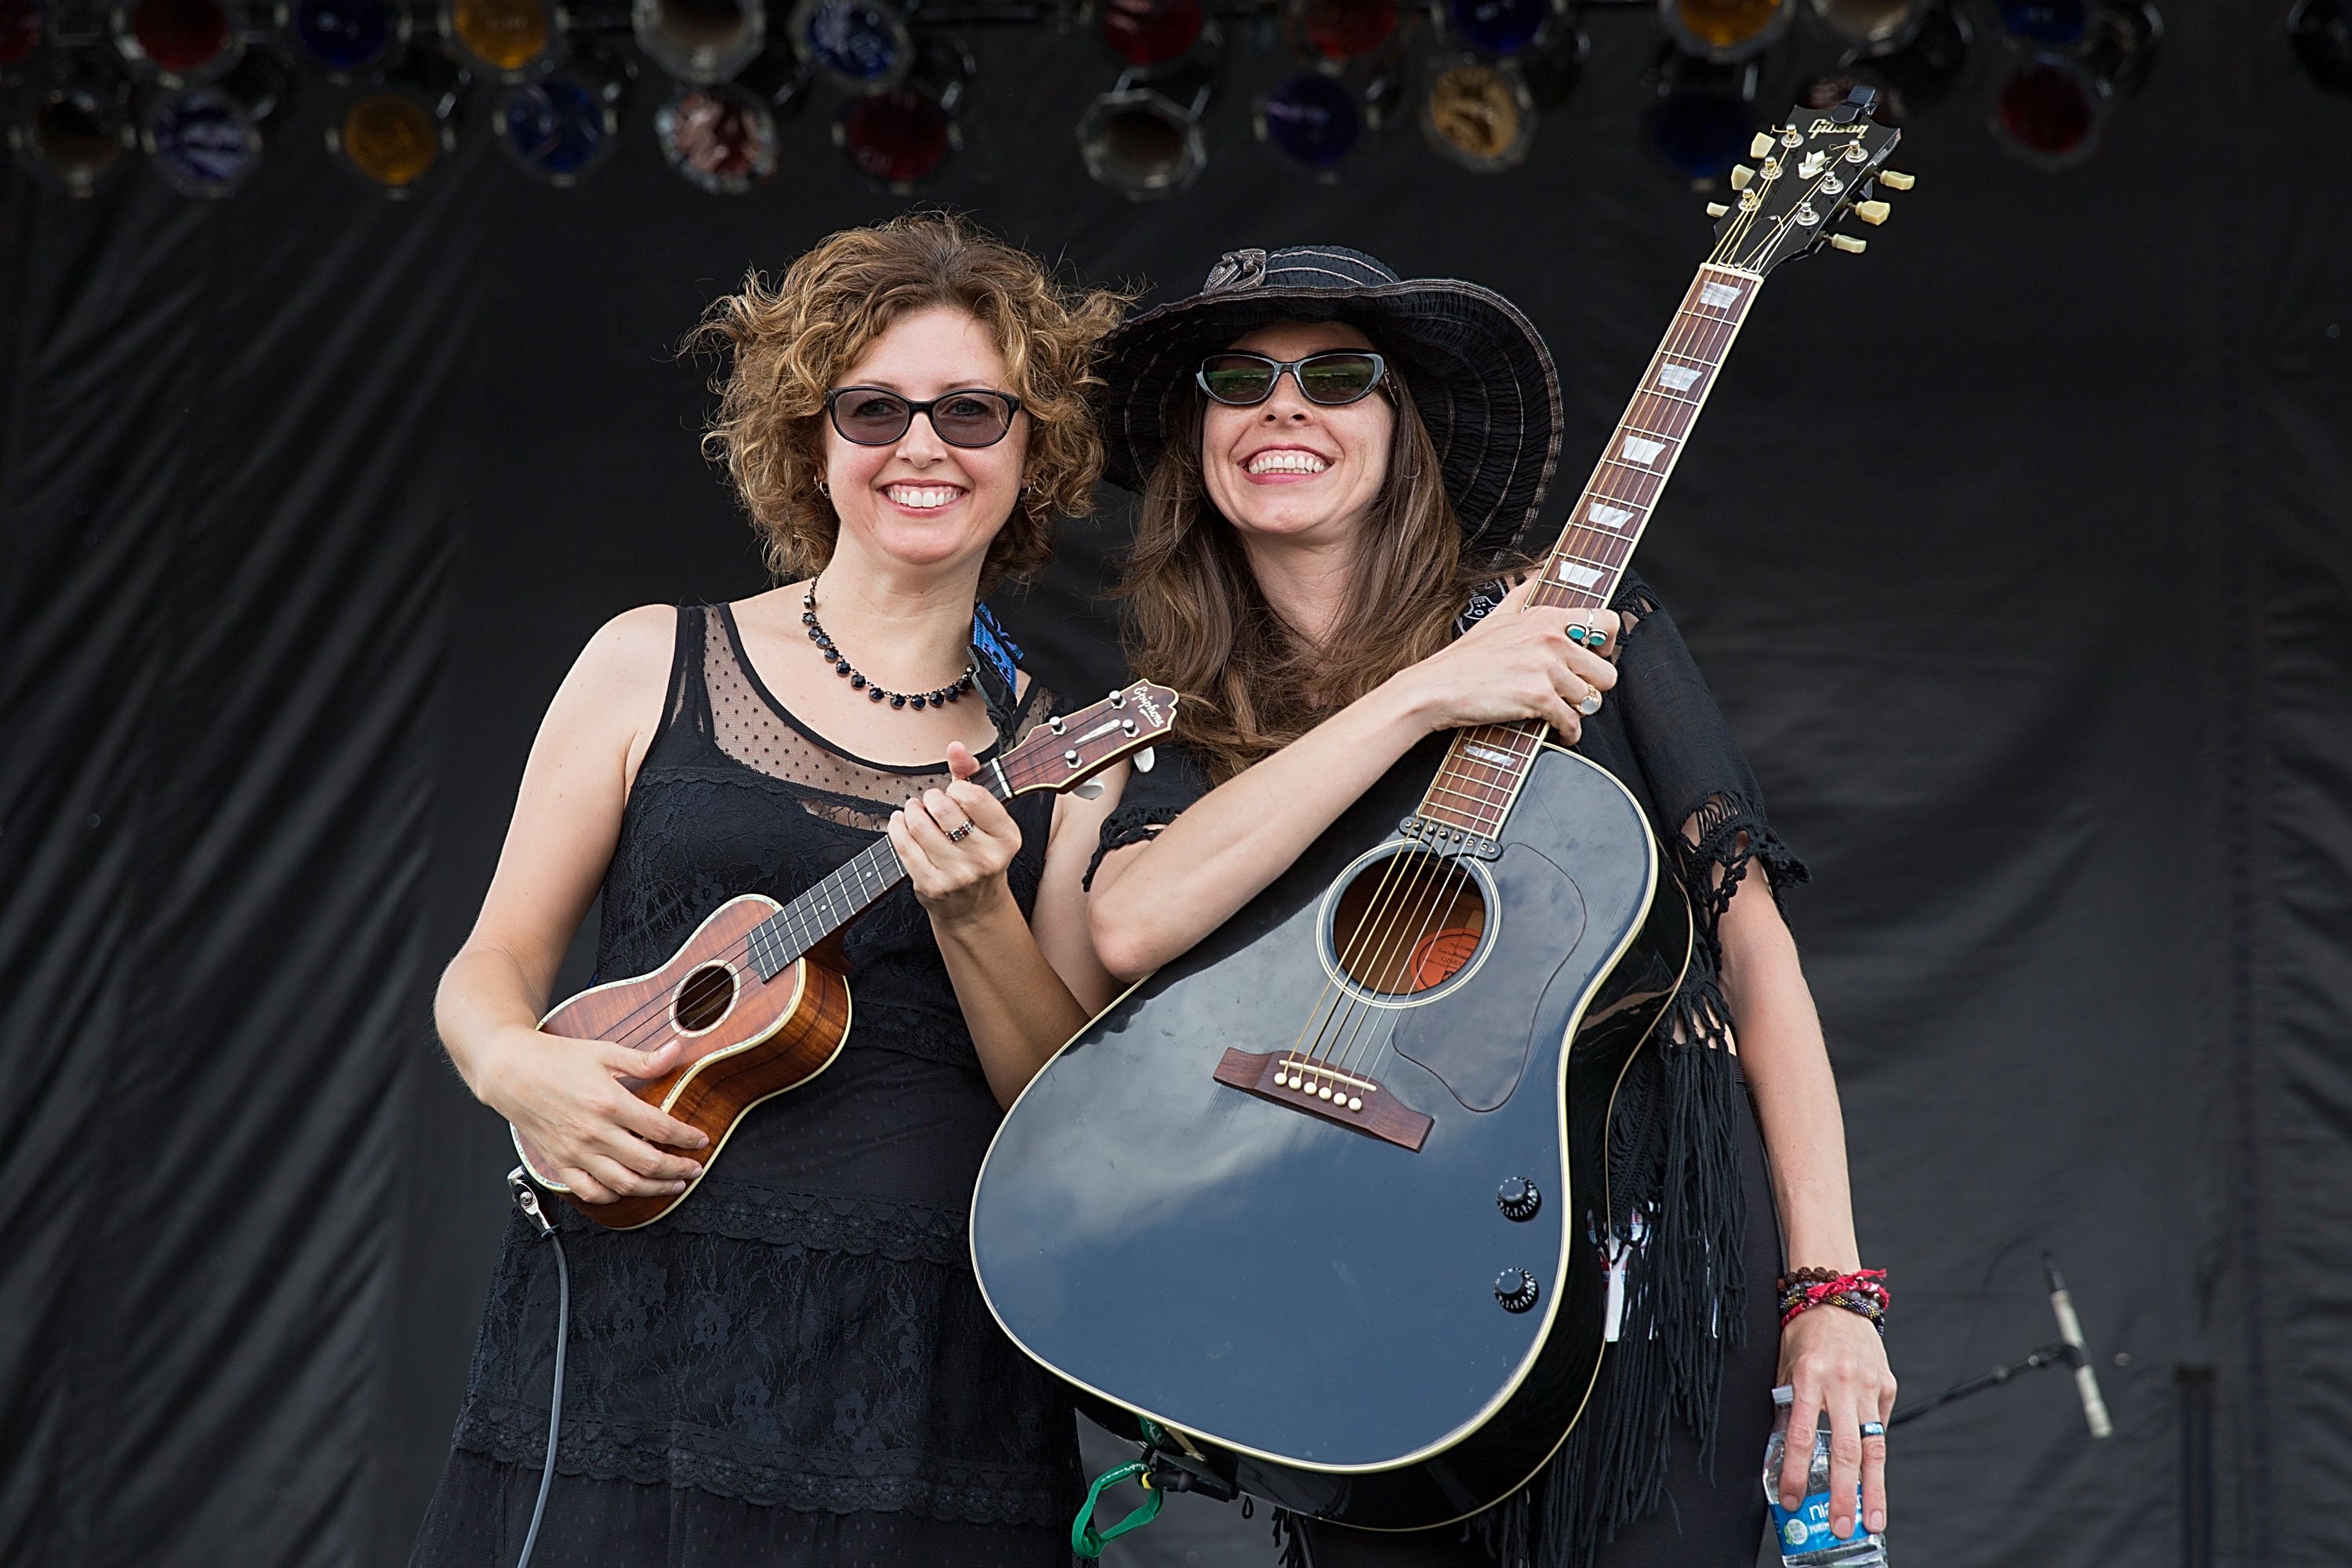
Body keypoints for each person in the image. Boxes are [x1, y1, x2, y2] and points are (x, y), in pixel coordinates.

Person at [1081, 247, 1898, 1566]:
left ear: (1401, 430)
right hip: (1366, 1277)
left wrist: (1831, 1293)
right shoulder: (1191, 724)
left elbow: (1756, 960)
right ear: (1198, 441)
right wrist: (1427, 693)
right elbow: (1124, 928)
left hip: (1651, 1258)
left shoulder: (1577, 627)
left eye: (1337, 375)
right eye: (1239, 379)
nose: (1283, 405)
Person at [412, 214, 1130, 1567]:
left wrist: (976, 914)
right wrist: (520, 1072)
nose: (923, 446)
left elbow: (1058, 1107)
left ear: (1032, 449)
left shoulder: (1063, 760)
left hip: (917, 1362)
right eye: (875, 408)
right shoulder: (647, 664)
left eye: (972, 410)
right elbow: (488, 965)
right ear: (812, 438)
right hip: (634, 1318)